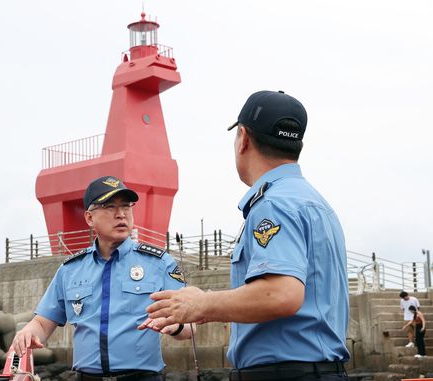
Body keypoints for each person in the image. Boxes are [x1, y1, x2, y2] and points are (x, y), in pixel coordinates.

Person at [145, 90, 350, 380]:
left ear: (244, 138)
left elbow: (282, 295)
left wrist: (201, 303)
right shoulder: (316, 204)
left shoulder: (273, 204)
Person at [12, 176, 192, 381]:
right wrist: (28, 332)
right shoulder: (70, 270)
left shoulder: (160, 263)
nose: (121, 214)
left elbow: (190, 325)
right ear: (89, 218)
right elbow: (43, 323)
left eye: (126, 206)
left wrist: (176, 326)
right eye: (109, 207)